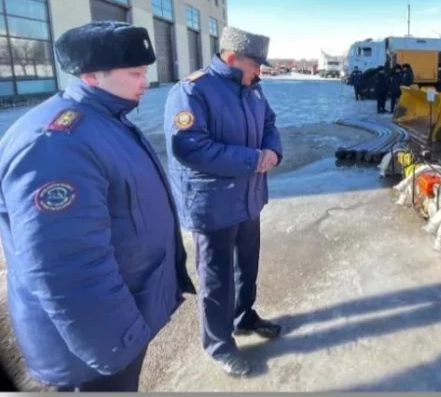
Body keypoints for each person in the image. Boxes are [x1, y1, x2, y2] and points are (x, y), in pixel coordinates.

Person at [0, 21, 195, 392]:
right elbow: (67, 266)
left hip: (117, 321)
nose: (145, 81)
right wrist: (116, 344)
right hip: (92, 349)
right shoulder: (56, 145)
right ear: (91, 76)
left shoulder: (104, 120)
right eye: (135, 72)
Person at [164, 26, 283, 377]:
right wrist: (253, 159)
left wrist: (273, 150)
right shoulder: (193, 90)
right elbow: (189, 146)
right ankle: (218, 344)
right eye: (256, 64)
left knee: (247, 263)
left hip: (249, 198)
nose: (260, 71)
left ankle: (243, 316)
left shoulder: (253, 89)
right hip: (213, 204)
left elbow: (270, 123)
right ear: (232, 58)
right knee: (216, 278)